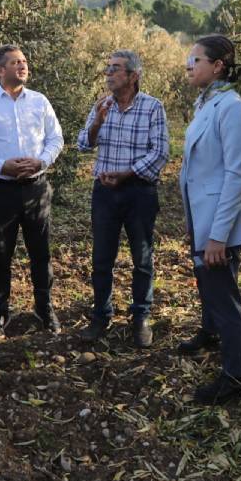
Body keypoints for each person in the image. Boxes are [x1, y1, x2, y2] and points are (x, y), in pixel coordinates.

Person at [176, 34, 241, 405]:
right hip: (202, 209)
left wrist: (217, 237)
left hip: (219, 219)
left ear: (218, 67)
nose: (189, 66)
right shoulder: (207, 101)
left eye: (196, 60)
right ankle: (210, 332)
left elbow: (235, 175)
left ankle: (236, 375)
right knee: (208, 284)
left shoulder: (233, 108)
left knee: (223, 294)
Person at [0, 44, 64, 338]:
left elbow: (55, 138)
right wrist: (2, 165)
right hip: (0, 191)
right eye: (15, 62)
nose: (22, 66)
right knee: (0, 255)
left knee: (41, 253)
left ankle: (45, 310)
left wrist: (41, 161)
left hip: (37, 190)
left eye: (24, 61)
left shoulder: (40, 101)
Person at [76, 50, 169, 348]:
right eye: (108, 68)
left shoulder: (153, 108)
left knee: (142, 258)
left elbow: (160, 152)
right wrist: (97, 123)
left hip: (139, 192)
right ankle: (101, 316)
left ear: (133, 76)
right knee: (102, 258)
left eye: (116, 69)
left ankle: (141, 316)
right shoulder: (102, 106)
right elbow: (83, 144)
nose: (109, 74)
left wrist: (128, 173)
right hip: (105, 193)